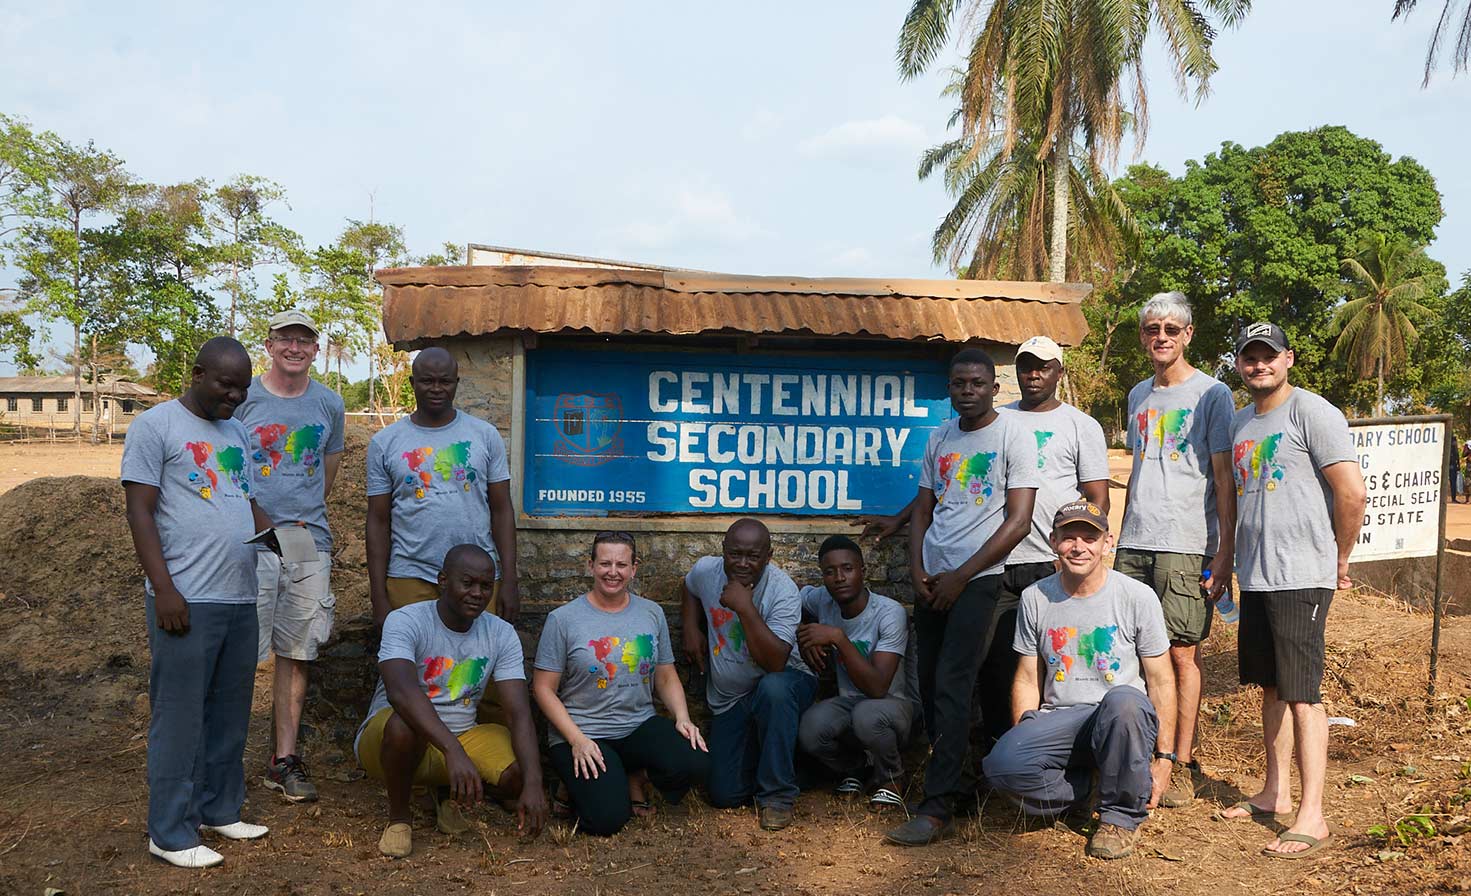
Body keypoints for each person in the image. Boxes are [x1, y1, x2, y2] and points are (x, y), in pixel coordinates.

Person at [122, 337, 276, 868]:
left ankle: (218, 808)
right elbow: (140, 512)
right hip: (187, 596)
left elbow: (243, 496)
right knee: (180, 715)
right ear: (197, 373)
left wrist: (276, 534)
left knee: (231, 711)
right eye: (225, 385)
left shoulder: (236, 431)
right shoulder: (155, 426)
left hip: (239, 593)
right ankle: (169, 831)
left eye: (242, 388)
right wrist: (164, 588)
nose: (234, 397)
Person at [1218, 322, 1366, 859]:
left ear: (1289, 359)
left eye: (1269, 357)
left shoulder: (1313, 412)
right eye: (1249, 358)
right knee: (1272, 687)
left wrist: (1339, 556)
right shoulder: (1240, 423)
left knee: (1304, 694)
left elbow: (1351, 492)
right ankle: (1275, 791)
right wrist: (1229, 560)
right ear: (1238, 364)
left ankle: (1313, 814)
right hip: (1256, 575)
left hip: (1302, 575)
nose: (1259, 366)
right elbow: (1234, 501)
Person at [885, 347, 1038, 847]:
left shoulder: (1014, 435)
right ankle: (962, 784)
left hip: (982, 578)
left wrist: (962, 576)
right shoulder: (939, 437)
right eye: (958, 384)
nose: (967, 392)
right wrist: (918, 570)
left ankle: (938, 807)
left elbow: (1019, 521)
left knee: (954, 683)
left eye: (977, 383)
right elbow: (924, 510)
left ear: (995, 388)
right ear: (949, 389)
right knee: (929, 685)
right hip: (934, 578)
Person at [981, 500, 1177, 860]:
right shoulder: (1035, 598)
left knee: (1123, 700)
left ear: (1108, 542)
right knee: (1001, 765)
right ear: (1053, 541)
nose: (1078, 546)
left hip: (1122, 718)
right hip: (1062, 717)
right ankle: (1086, 789)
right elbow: (1027, 677)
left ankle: (1119, 817)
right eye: (1068, 537)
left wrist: (1164, 758)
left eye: (1090, 537)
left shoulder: (1137, 596)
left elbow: (1161, 680)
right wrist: (1026, 732)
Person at [1114, 292, 1236, 809]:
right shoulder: (1138, 393)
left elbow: (1226, 479)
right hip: (1134, 541)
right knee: (1133, 654)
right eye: (1151, 329)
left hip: (1187, 543)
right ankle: (1143, 753)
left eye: (1170, 329)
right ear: (1142, 337)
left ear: (1188, 335)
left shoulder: (1213, 394)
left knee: (1183, 653)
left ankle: (1182, 760)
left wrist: (1224, 550)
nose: (1160, 337)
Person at [354, 544, 547, 858]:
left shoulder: (501, 633)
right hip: (393, 739)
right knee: (405, 725)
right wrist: (453, 750)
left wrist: (534, 783)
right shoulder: (406, 620)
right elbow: (401, 692)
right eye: (467, 583)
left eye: (486, 586)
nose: (477, 593)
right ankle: (400, 818)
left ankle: (448, 792)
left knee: (518, 774)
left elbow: (518, 713)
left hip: (462, 738)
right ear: (443, 581)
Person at [367, 346, 519, 722]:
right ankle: (417, 771)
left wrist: (511, 580)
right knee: (413, 680)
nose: (436, 388)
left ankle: (486, 765)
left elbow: (502, 510)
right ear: (413, 383)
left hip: (480, 581)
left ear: (456, 383)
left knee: (484, 678)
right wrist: (378, 595)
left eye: (444, 381)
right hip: (410, 576)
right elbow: (378, 521)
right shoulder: (386, 443)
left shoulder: (483, 436)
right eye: (427, 381)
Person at [236, 309, 346, 803]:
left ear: (315, 350)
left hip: (306, 540)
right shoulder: (245, 398)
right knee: (240, 650)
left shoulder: (329, 404)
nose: (295, 348)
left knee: (298, 649)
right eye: (286, 339)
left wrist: (300, 515)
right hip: (248, 539)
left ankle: (283, 759)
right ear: (269, 344)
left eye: (305, 340)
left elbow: (329, 468)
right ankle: (223, 757)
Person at [532, 531, 710, 836]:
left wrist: (683, 718)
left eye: (621, 564)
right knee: (607, 820)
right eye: (604, 563)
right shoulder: (563, 619)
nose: (613, 572)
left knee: (696, 760)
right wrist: (577, 740)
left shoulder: (651, 613)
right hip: (583, 732)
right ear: (590, 566)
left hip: (636, 726)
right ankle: (570, 786)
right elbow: (543, 688)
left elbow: (665, 674)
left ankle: (634, 777)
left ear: (634, 568)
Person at [980, 335, 1111, 744]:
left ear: (1059, 371)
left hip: (1050, 562)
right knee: (996, 662)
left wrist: (1076, 556)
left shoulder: (1080, 425)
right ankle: (1001, 752)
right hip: (1000, 560)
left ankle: (1047, 748)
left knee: (1054, 663)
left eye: (1043, 367)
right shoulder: (997, 420)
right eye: (1026, 366)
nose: (1033, 374)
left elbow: (1097, 498)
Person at [682, 518, 816, 831]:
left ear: (768, 557)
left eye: (753, 556)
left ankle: (777, 796)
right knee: (724, 794)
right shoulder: (707, 570)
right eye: (734, 554)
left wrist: (745, 608)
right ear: (723, 551)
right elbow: (688, 585)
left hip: (787, 683)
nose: (742, 563)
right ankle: (794, 766)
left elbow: (776, 663)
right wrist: (690, 626)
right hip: (732, 699)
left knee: (773, 689)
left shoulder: (782, 591)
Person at [796, 535, 918, 810]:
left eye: (848, 569)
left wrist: (838, 638)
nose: (839, 577)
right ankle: (857, 769)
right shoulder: (822, 600)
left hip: (894, 705)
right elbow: (791, 598)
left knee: (867, 713)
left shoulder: (889, 613)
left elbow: (877, 688)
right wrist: (803, 636)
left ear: (863, 571)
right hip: (850, 704)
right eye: (830, 572)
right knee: (810, 728)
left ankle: (892, 777)